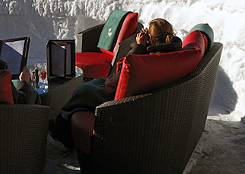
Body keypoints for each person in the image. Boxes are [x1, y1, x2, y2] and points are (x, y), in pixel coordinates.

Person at [49, 18, 182, 151]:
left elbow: (127, 66)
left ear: (151, 39)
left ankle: (61, 131)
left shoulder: (146, 60)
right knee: (94, 82)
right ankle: (65, 128)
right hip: (140, 94)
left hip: (123, 101)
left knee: (82, 91)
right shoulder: (172, 53)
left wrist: (139, 46)